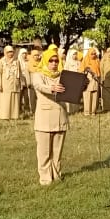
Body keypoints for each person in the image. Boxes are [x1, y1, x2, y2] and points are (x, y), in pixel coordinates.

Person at [32, 50, 69, 185]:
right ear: (45, 61)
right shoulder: (38, 75)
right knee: (44, 151)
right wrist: (52, 88)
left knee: (57, 151)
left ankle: (57, 175)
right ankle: (46, 178)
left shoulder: (63, 76)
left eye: (56, 61)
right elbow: (39, 86)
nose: (54, 63)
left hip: (60, 116)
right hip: (44, 118)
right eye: (51, 61)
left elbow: (71, 90)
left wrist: (82, 85)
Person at [0, 46, 23, 120]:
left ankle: (14, 116)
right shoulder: (2, 61)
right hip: (5, 84)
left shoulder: (17, 61)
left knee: (15, 99)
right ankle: (4, 116)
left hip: (15, 83)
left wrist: (21, 83)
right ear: (5, 52)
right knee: (5, 100)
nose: (10, 54)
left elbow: (20, 72)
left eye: (12, 52)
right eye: (9, 52)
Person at [80, 48, 102, 116]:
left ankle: (93, 112)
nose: (93, 55)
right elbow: (81, 70)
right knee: (87, 95)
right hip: (88, 80)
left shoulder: (97, 60)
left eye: (94, 54)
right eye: (92, 54)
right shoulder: (85, 60)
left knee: (95, 96)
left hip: (95, 79)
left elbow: (99, 70)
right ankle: (87, 112)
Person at [100, 47, 110, 113]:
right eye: (109, 52)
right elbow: (101, 69)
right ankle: (105, 108)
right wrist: (102, 78)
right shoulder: (104, 59)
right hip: (105, 79)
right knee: (105, 94)